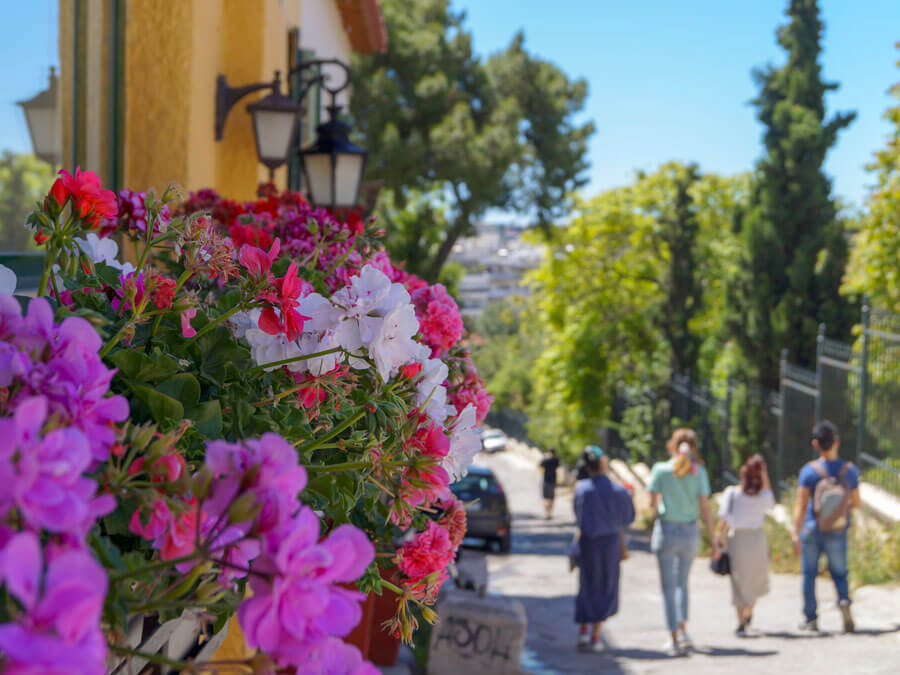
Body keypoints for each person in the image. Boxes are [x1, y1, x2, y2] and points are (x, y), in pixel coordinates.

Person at [647, 428, 719, 655]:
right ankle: (684, 629)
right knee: (682, 583)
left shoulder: (661, 470)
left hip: (667, 531)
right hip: (690, 532)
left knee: (668, 586)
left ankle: (673, 636)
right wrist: (713, 537)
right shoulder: (699, 472)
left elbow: (651, 504)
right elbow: (705, 507)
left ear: (672, 444)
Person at [792, 420, 861, 633]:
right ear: (837, 442)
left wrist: (795, 533)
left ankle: (811, 618)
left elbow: (801, 506)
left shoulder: (808, 472)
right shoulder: (849, 471)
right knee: (840, 573)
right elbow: (856, 503)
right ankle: (843, 601)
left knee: (809, 574)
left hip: (813, 529)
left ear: (815, 444)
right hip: (838, 530)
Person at [573, 446, 635, 652]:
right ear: (602, 463)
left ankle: (583, 630)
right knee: (605, 587)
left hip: (587, 543)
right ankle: (596, 635)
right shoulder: (619, 491)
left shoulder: (581, 489)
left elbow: (578, 517)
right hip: (609, 545)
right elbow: (628, 518)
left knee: (587, 586)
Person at [715, 454, 775, 636]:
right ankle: (749, 613)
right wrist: (764, 474)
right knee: (755, 578)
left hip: (738, 539)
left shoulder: (732, 494)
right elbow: (771, 500)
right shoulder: (762, 496)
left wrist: (718, 538)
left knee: (739, 580)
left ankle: (741, 621)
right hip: (757, 539)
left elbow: (723, 519)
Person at [539, 447, 560, 519]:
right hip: (553, 480)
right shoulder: (556, 459)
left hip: (546, 480)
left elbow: (540, 465)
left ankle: (547, 513)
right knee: (551, 498)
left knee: (546, 498)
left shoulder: (546, 459)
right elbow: (558, 467)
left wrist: (546, 457)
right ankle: (550, 513)